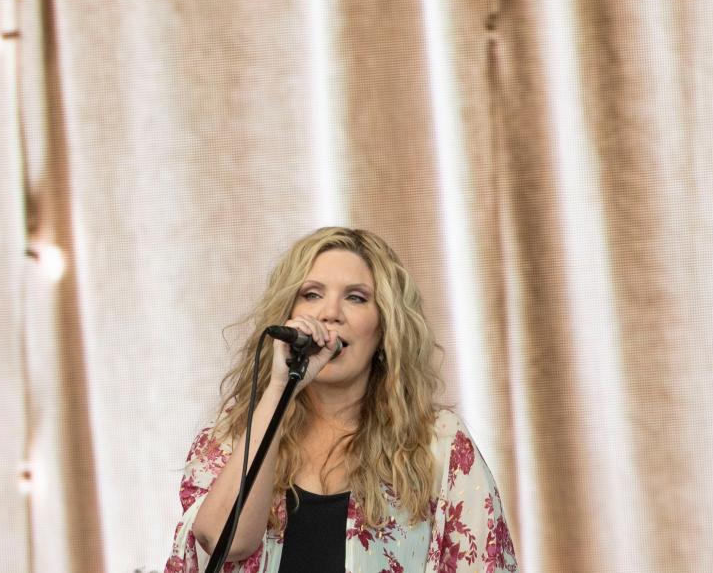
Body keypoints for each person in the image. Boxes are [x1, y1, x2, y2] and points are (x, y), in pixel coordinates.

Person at [165, 227, 518, 572]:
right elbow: (222, 541)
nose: (329, 313)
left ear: (384, 327)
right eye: (312, 295)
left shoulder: (437, 442)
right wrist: (278, 388)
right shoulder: (237, 429)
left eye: (356, 297)